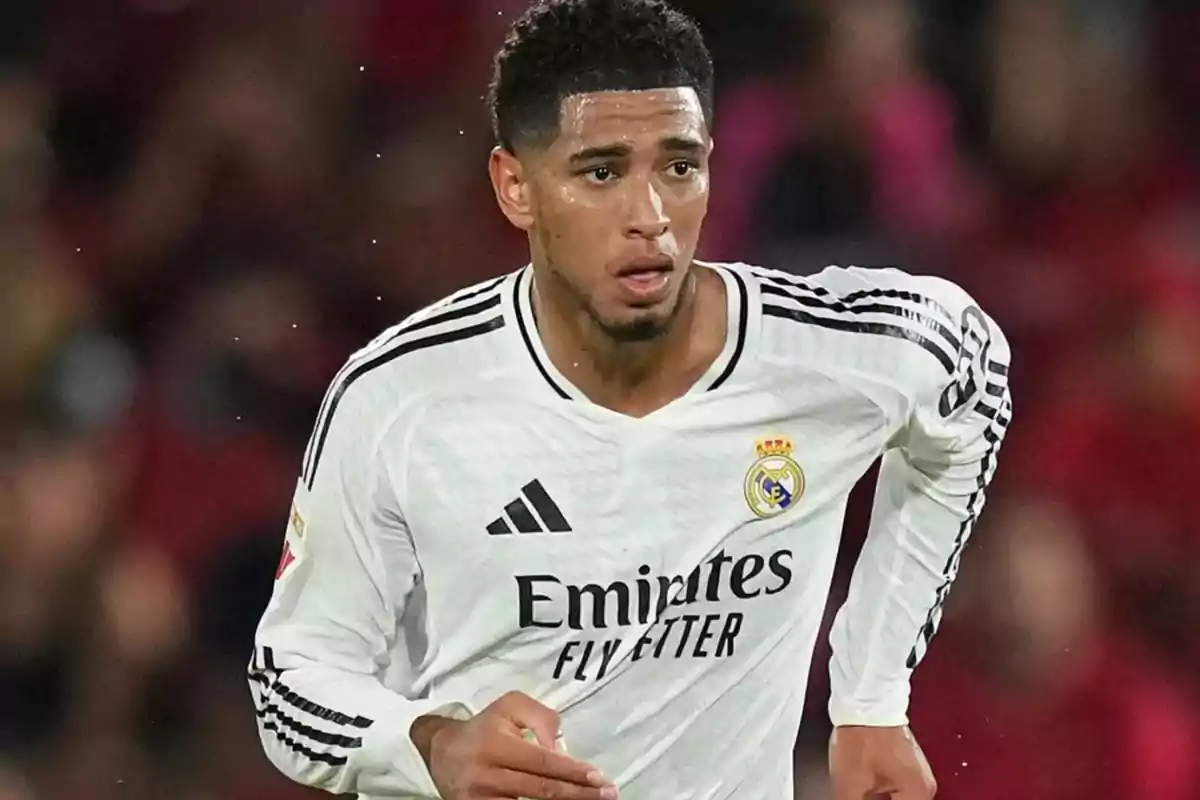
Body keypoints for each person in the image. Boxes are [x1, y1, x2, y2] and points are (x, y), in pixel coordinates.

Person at [246, 0, 1013, 798]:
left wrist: (871, 696)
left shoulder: (825, 356)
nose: (650, 218)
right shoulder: (402, 398)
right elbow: (291, 679)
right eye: (601, 171)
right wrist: (428, 744)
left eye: (679, 166)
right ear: (516, 187)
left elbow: (972, 376)